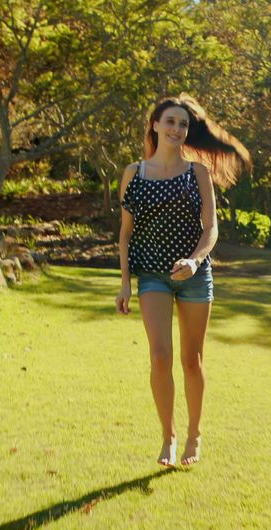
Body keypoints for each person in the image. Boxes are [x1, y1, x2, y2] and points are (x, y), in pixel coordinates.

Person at [115, 94, 250, 467]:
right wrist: (126, 283)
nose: (177, 129)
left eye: (183, 124)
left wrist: (194, 260)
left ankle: (194, 435)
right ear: (155, 125)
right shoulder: (134, 173)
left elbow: (211, 229)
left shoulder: (198, 173)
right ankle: (168, 437)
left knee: (192, 360)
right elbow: (126, 233)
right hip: (152, 276)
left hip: (194, 278)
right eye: (170, 122)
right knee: (160, 357)